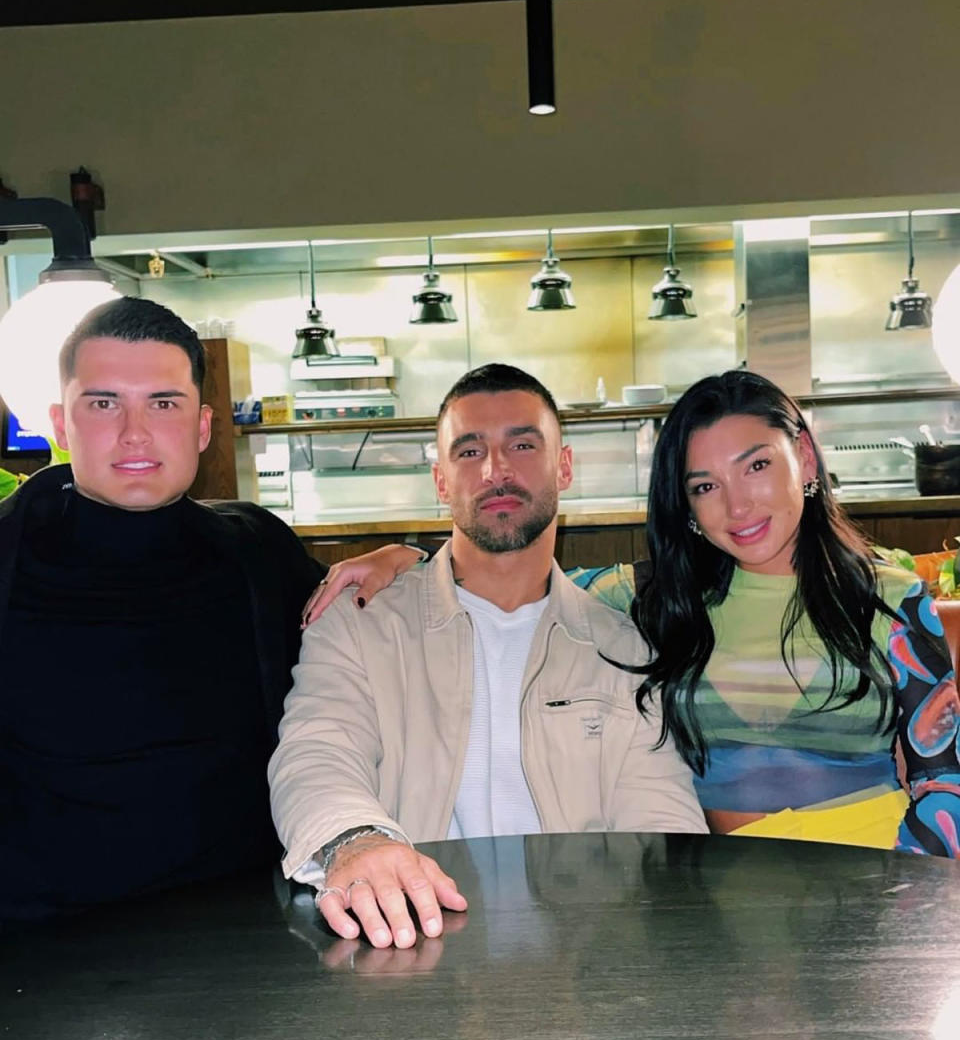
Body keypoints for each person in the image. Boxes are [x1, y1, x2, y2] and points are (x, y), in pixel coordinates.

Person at [308, 370, 960, 858]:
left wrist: (894, 905)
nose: (737, 505)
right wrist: (411, 556)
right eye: (705, 485)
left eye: (757, 465)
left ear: (806, 460)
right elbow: (508, 571)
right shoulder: (649, 600)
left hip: (871, 872)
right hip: (718, 894)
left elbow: (944, 789)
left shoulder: (890, 601)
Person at [269, 363, 707, 949]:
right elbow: (316, 751)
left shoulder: (623, 646)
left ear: (565, 466)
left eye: (522, 445)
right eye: (469, 451)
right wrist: (359, 841)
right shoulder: (362, 621)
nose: (496, 470)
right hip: (407, 952)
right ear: (441, 481)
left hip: (586, 967)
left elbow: (663, 831)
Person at [0, 296, 325, 919]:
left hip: (245, 938)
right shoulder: (5, 561)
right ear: (60, 425)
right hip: (36, 957)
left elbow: (363, 655)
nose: (134, 433)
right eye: (103, 403)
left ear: (202, 428)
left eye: (163, 403)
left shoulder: (258, 553)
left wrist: (400, 565)